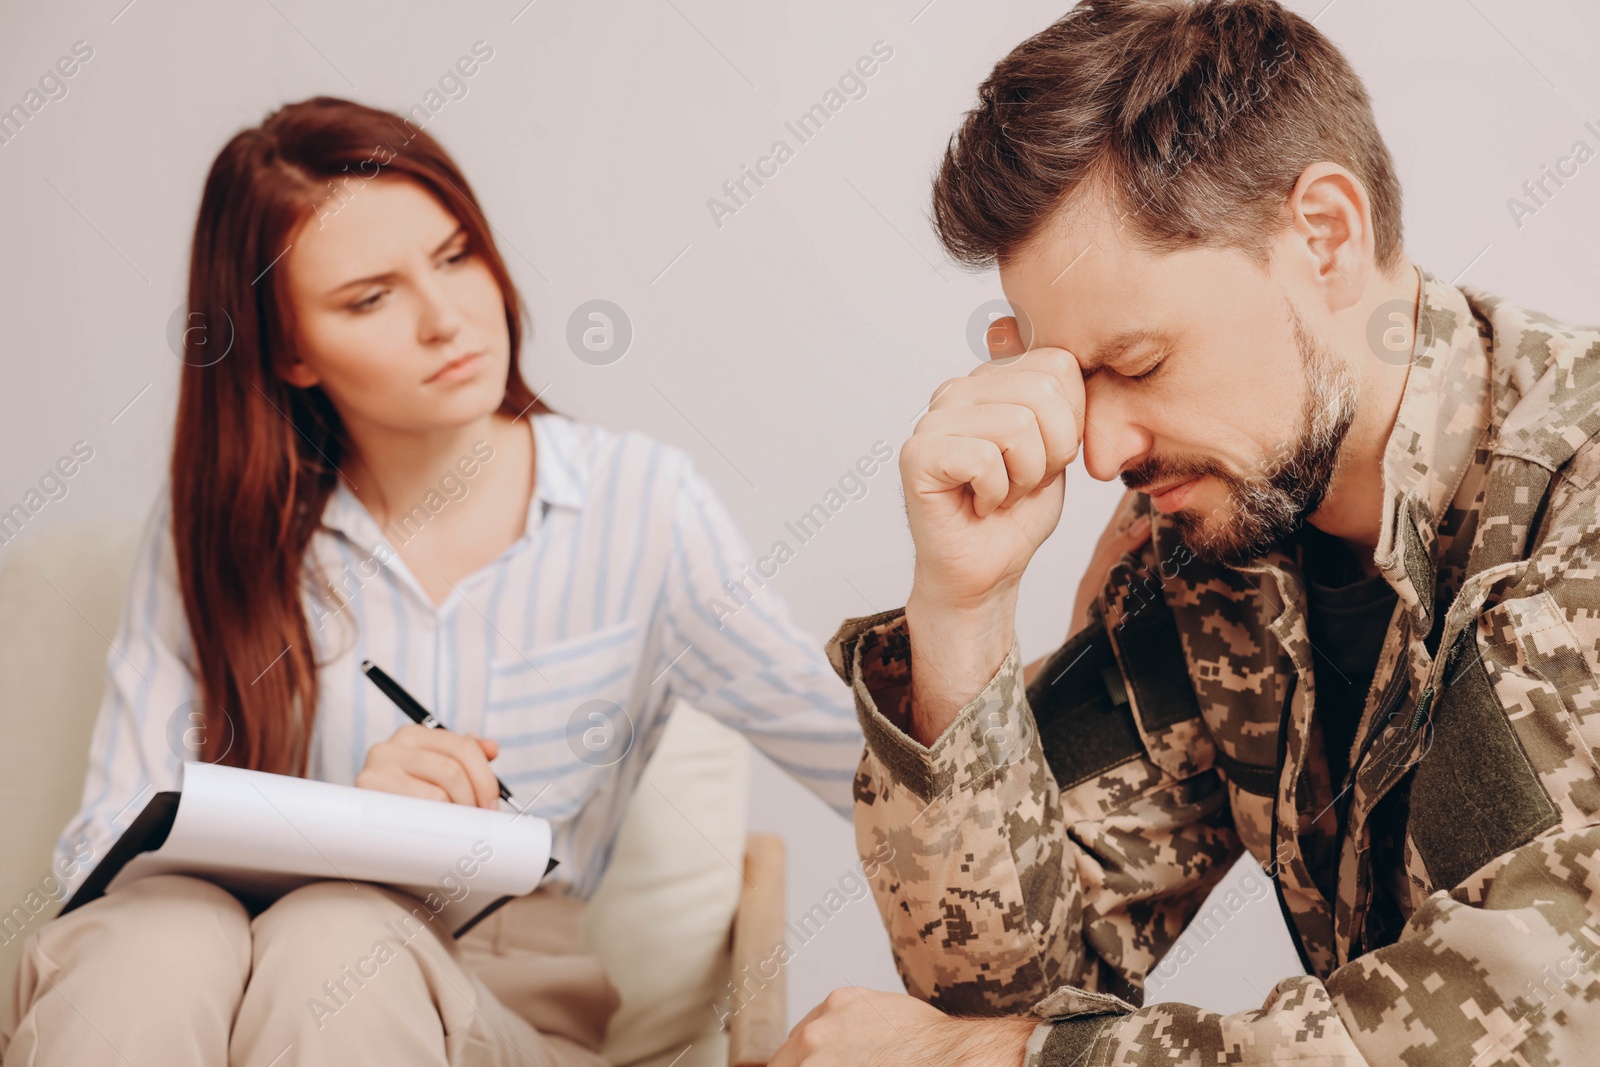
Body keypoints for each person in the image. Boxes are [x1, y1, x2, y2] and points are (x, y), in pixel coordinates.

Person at [773, 1, 1600, 1065]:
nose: (1103, 447)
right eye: (1074, 376)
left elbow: (1531, 1026)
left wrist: (1008, 1060)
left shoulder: (1576, 507)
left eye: (1141, 361)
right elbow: (1003, 981)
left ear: (1324, 236)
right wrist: (961, 609)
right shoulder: (1200, 539)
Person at [3, 96, 863, 1067]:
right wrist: (347, 823)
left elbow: (864, 762)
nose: (447, 317)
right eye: (370, 298)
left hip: (498, 1001)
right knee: (154, 942)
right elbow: (102, 842)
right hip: (203, 948)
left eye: (455, 256)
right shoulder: (216, 526)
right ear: (289, 350)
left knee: (338, 939)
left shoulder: (640, 505)